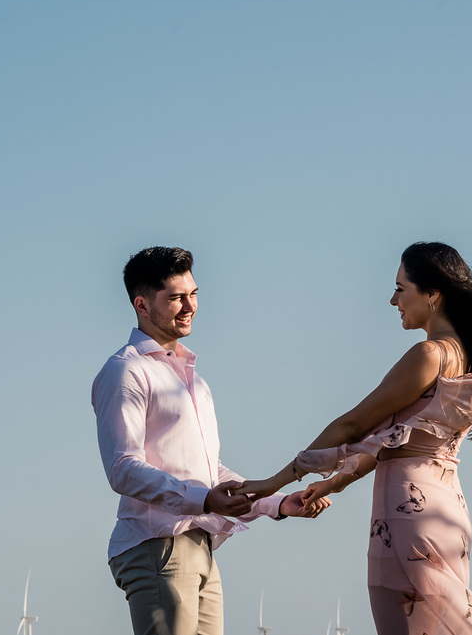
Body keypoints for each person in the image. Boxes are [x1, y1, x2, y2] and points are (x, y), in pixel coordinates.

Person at [238, 242, 472, 635]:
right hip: (447, 513)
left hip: (406, 514)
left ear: (432, 294)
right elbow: (396, 443)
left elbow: (353, 426)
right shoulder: (465, 358)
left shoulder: (429, 355)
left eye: (401, 288)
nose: (393, 299)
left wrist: (271, 484)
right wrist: (336, 481)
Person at [92, 246, 322, 635]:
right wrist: (203, 499)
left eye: (193, 294)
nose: (190, 306)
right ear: (142, 304)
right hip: (157, 546)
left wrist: (278, 503)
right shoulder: (125, 371)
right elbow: (122, 468)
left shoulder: (194, 380)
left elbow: (208, 470)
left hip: (201, 546)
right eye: (176, 297)